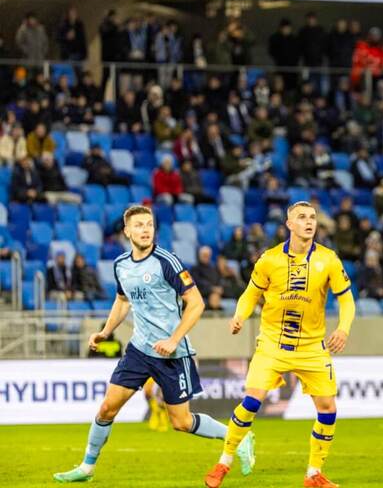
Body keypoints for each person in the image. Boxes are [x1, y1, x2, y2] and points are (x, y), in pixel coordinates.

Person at [54, 205, 253, 483]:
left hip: (172, 353)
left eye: (149, 225)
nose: (145, 230)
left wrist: (173, 340)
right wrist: (105, 331)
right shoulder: (121, 264)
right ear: (127, 231)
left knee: (181, 423)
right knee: (107, 408)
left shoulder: (167, 261)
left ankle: (239, 437)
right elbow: (122, 301)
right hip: (139, 349)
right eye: (139, 225)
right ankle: (86, 468)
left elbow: (196, 303)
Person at [204, 201, 355, 488]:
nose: (309, 222)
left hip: (312, 346)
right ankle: (224, 462)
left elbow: (346, 299)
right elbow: (250, 294)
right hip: (273, 343)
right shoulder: (269, 259)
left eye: (312, 217)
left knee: (328, 409)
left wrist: (343, 329)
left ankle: (313, 474)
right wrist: (239, 316)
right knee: (251, 401)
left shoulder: (329, 260)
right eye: (301, 217)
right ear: (289, 224)